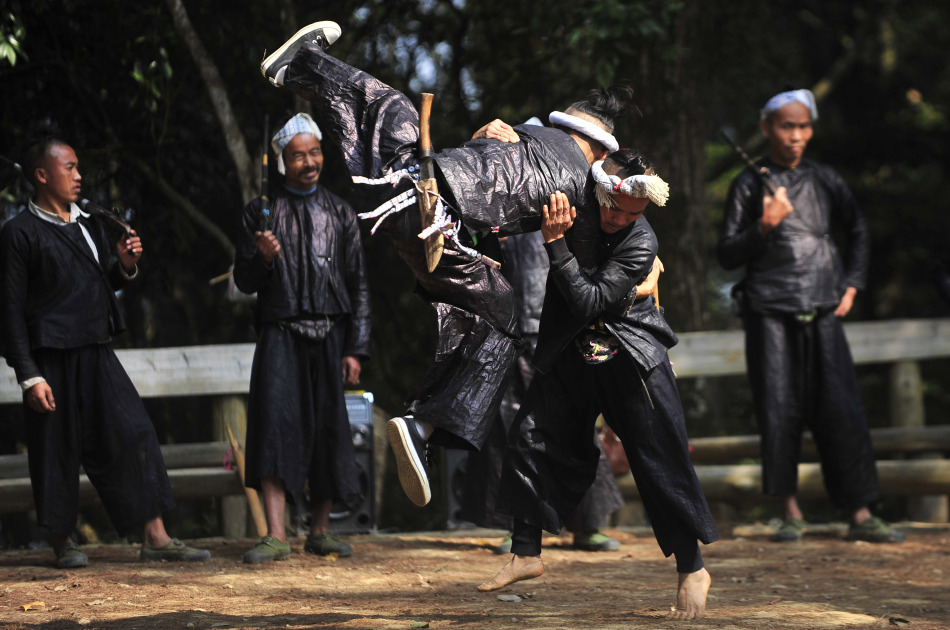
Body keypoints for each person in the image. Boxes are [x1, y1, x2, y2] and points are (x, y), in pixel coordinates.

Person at [259, 21, 634, 508]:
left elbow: (488, 172)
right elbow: (616, 214)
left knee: (391, 107)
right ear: (601, 152)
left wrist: (485, 140)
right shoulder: (579, 180)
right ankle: (422, 426)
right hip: (435, 216)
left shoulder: (520, 135)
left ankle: (298, 65)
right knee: (501, 315)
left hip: (413, 197)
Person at [481, 150, 719, 621]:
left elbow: (588, 301)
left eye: (631, 213)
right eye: (613, 206)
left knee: (658, 460)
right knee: (531, 436)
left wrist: (555, 246)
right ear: (599, 189)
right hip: (572, 352)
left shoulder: (641, 242)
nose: (618, 218)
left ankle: (693, 567)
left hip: (631, 354)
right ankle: (527, 552)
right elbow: (512, 188)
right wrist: (498, 139)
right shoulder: (572, 202)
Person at [0, 138, 210, 568]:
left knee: (134, 433)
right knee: (56, 450)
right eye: (69, 167)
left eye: (79, 168)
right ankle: (63, 542)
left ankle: (156, 537)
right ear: (42, 175)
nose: (79, 176)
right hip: (51, 358)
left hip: (97, 350)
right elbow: (10, 310)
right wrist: (29, 375)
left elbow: (95, 282)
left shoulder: (88, 222)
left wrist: (124, 264)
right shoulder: (19, 232)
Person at [717, 89, 903, 543]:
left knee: (841, 409)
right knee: (779, 409)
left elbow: (858, 229)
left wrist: (852, 283)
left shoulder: (825, 178)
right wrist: (766, 223)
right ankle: (790, 511)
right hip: (770, 311)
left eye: (803, 126)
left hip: (823, 307)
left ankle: (860, 514)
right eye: (786, 126)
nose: (796, 135)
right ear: (767, 129)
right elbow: (726, 254)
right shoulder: (748, 183)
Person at [233, 113, 371, 563]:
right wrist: (262, 257)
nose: (308, 162)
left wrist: (356, 347)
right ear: (282, 162)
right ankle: (276, 534)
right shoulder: (262, 210)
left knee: (329, 430)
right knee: (275, 426)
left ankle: (320, 530)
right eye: (298, 156)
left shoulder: (341, 211)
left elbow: (359, 283)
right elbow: (245, 280)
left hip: (331, 333)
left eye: (314, 153)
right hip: (280, 332)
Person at [458, 230, 632, 553]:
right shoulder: (498, 199)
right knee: (510, 430)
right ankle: (517, 526)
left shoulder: (563, 195)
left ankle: (587, 524)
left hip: (558, 325)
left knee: (577, 424)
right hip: (505, 325)